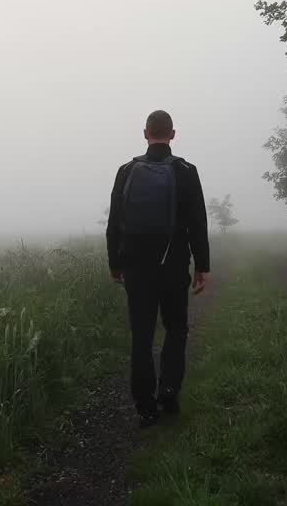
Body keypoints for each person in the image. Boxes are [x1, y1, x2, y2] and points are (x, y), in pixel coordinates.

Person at [106, 109, 210, 427]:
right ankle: (168, 389)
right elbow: (197, 222)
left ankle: (145, 406)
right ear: (173, 134)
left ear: (145, 133)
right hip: (174, 263)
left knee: (142, 334)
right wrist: (201, 266)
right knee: (176, 328)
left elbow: (114, 223)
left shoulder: (127, 171)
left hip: (137, 266)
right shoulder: (186, 171)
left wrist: (115, 263)